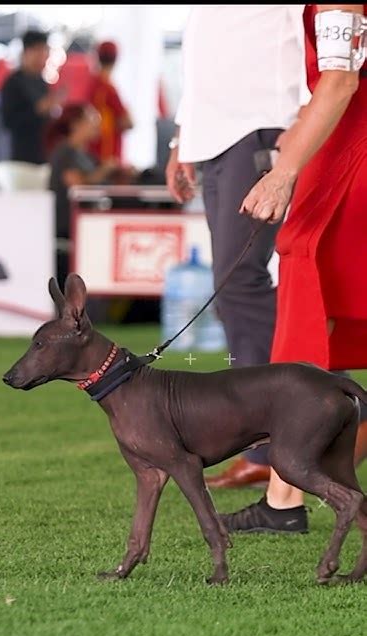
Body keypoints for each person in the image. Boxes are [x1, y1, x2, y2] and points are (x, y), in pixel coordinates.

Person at [221, 2, 367, 534]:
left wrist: (284, 173)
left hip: (353, 153)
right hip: (345, 143)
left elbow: (340, 83)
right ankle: (285, 494)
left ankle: (285, 496)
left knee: (311, 295)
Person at [166, 5, 308, 489]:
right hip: (212, 135)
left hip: (264, 124)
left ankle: (276, 439)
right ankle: (284, 427)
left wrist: (303, 119)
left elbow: (304, 29)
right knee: (234, 286)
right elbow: (203, 49)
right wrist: (183, 139)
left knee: (239, 280)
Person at [46, 103, 121, 285]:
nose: (98, 123)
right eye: (92, 118)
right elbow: (79, 187)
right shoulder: (65, 153)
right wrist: (105, 170)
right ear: (75, 124)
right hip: (69, 226)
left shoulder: (85, 155)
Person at [1, 30, 64, 164]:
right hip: (22, 156)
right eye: (37, 52)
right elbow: (8, 122)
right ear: (26, 52)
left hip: (44, 154)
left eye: (44, 52)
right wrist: (38, 109)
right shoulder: (13, 83)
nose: (42, 57)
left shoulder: (42, 82)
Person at [88, 40, 133, 164]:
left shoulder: (93, 85)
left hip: (93, 150)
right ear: (116, 59)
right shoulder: (108, 89)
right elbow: (128, 122)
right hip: (108, 153)